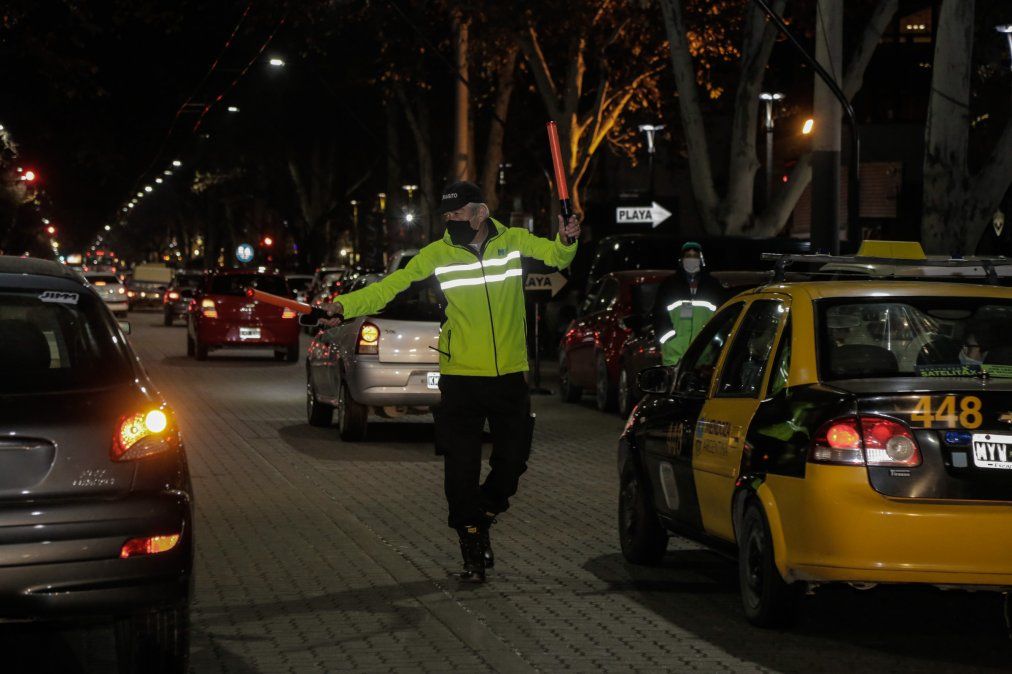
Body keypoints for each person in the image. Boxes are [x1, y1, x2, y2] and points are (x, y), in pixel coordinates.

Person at [321, 180, 580, 583]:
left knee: (512, 462)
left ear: (479, 212)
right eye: (446, 217)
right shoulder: (437, 254)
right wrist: (343, 306)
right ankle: (471, 541)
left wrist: (566, 239)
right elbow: (392, 287)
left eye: (457, 215)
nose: (451, 222)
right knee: (460, 469)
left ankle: (485, 512)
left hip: (510, 375)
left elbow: (556, 255)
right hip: (460, 378)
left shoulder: (512, 241)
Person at [652, 242, 725, 366]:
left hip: (704, 358)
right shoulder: (669, 285)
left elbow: (722, 316)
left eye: (695, 256)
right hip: (674, 356)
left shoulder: (712, 286)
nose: (691, 259)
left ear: (701, 259)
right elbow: (659, 315)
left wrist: (714, 342)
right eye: (688, 256)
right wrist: (669, 339)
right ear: (682, 259)